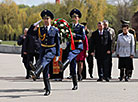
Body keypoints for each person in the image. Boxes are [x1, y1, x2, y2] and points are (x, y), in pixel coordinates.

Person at [28, 9, 60, 96]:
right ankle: (47, 88)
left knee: (44, 61)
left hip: (51, 50)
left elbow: (58, 42)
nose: (46, 21)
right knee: (45, 71)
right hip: (42, 50)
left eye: (47, 19)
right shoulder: (40, 29)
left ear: (51, 19)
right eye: (44, 19)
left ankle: (36, 71)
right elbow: (30, 33)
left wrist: (57, 54)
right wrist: (33, 25)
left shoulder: (55, 30)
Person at [58, 8, 85, 90]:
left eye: (76, 17)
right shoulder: (68, 27)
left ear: (78, 18)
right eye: (73, 17)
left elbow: (83, 37)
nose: (74, 18)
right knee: (73, 67)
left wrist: (75, 35)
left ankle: (64, 65)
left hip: (78, 46)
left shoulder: (81, 27)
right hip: (71, 46)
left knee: (71, 54)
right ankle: (75, 84)